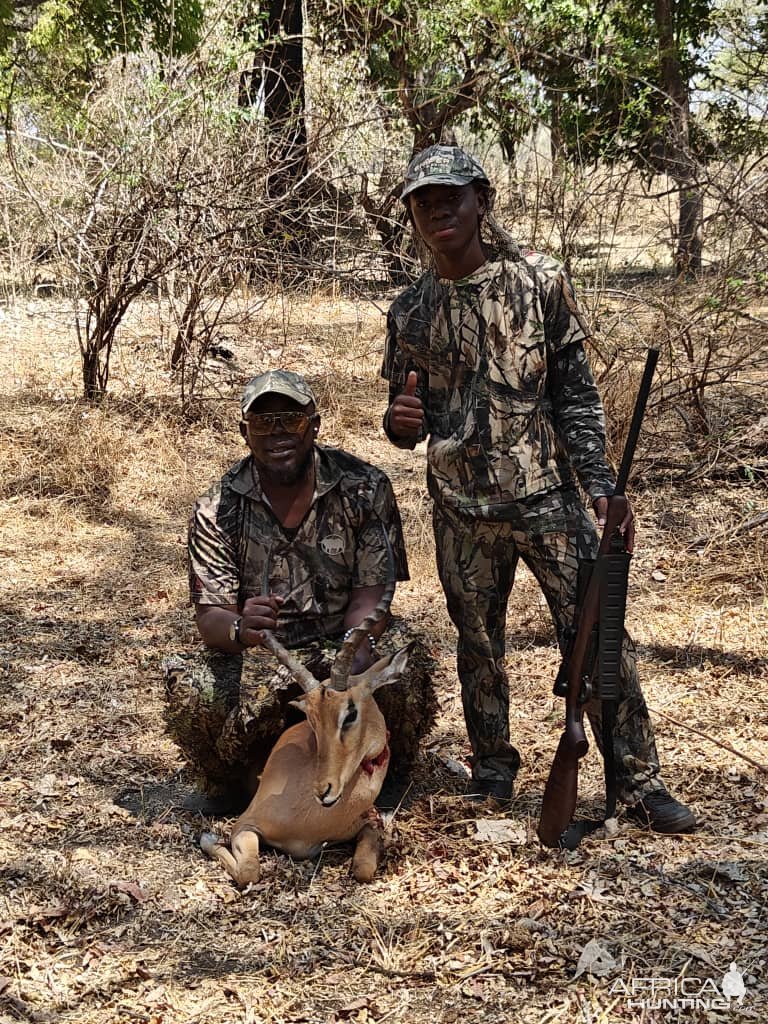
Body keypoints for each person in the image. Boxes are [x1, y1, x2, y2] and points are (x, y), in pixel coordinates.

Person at [381, 144, 696, 832]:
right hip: (461, 509)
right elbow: (408, 417)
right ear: (410, 215)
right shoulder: (409, 311)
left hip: (548, 496)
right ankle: (493, 773)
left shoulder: (539, 283)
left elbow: (576, 397)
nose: (437, 209)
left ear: (482, 201)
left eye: (451, 196)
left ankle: (637, 781)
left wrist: (602, 489)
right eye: (422, 201)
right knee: (478, 647)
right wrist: (399, 424)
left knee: (599, 630)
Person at [164, 369, 436, 814]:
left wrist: (356, 644)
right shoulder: (217, 508)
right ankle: (230, 783)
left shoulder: (365, 488)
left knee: (407, 665)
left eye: (290, 419)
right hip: (265, 654)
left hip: (341, 642)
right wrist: (241, 626)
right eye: (262, 423)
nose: (277, 433)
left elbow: (374, 592)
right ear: (244, 433)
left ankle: (386, 773)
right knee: (194, 689)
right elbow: (212, 619)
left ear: (314, 424)